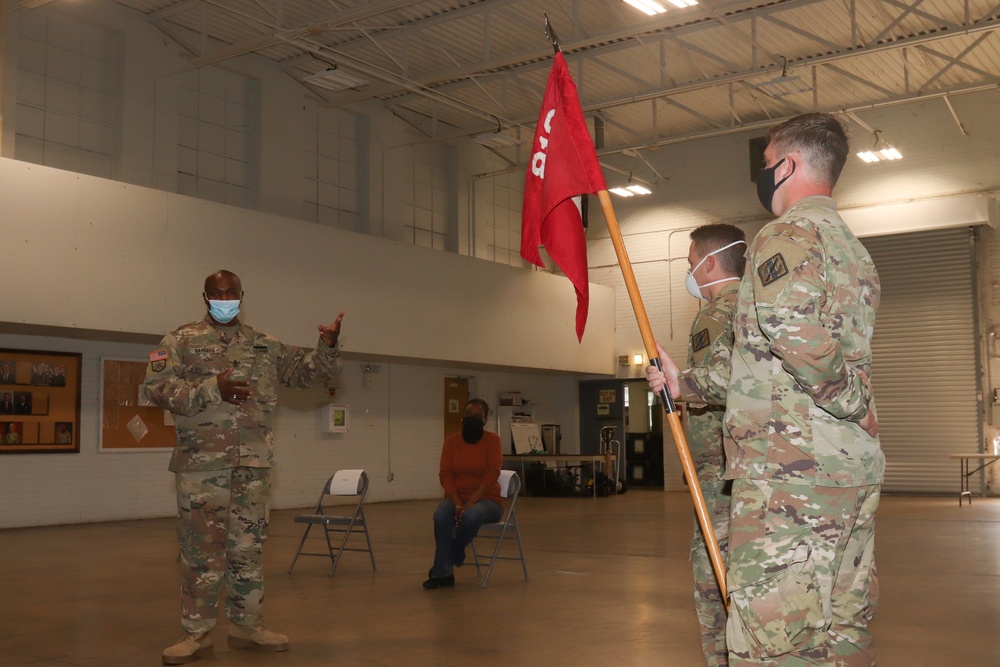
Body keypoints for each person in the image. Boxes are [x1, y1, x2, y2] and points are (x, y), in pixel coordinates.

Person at [655, 113, 882, 665]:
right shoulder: (854, 251)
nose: (762, 178)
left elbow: (791, 331)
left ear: (789, 165)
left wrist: (850, 399)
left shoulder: (784, 236)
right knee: (841, 625)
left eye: (765, 164)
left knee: (771, 641)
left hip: (791, 473)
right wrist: (683, 382)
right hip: (848, 466)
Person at [144, 269, 345, 665]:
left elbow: (311, 373)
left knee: (248, 548)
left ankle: (247, 626)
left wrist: (328, 346)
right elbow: (154, 388)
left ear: (241, 295)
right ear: (205, 297)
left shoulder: (265, 345)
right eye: (217, 292)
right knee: (200, 552)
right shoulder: (179, 340)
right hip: (202, 467)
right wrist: (210, 388)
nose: (225, 297)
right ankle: (195, 634)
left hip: (253, 465)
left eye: (231, 291)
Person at [647, 223, 746, 666]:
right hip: (752, 469)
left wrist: (679, 383)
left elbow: (724, 381)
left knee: (713, 579)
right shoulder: (759, 304)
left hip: (718, 473)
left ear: (709, 264)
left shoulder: (716, 312)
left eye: (690, 265)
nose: (690, 274)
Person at [423, 398, 503, 589]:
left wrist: (470, 503)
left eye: (478, 416)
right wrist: (458, 502)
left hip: (487, 500)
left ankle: (451, 556)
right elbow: (445, 474)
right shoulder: (451, 441)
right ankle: (443, 573)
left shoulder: (493, 441)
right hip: (457, 497)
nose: (472, 418)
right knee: (442, 515)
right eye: (469, 414)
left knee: (471, 515)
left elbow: (492, 473)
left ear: (485, 420)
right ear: (463, 417)